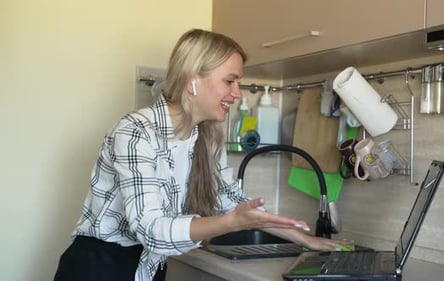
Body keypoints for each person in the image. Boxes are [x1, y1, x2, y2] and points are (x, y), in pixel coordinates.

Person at [53, 29, 348, 281]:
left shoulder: (205, 138)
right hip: (97, 267)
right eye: (229, 81)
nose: (237, 93)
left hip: (149, 267)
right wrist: (232, 222)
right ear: (193, 79)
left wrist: (305, 239)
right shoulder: (135, 131)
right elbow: (152, 231)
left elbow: (233, 202)